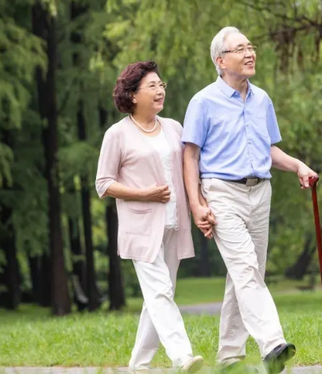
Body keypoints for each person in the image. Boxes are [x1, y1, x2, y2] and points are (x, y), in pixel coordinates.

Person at [181, 27, 318, 374]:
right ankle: (272, 344)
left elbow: (269, 150)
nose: (249, 53)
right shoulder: (203, 102)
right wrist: (197, 204)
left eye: (251, 47)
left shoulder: (262, 100)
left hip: (261, 192)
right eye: (240, 49)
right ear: (220, 60)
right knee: (246, 270)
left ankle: (228, 358)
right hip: (222, 192)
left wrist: (298, 165)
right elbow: (190, 157)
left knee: (244, 276)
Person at [95, 61, 204, 374]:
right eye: (152, 86)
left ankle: (138, 364)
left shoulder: (173, 128)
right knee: (159, 292)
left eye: (161, 85)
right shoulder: (117, 134)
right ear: (132, 95)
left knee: (159, 295)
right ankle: (183, 357)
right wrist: (144, 194)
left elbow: (189, 171)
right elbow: (103, 184)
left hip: (174, 223)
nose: (160, 91)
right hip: (140, 226)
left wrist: (199, 203)